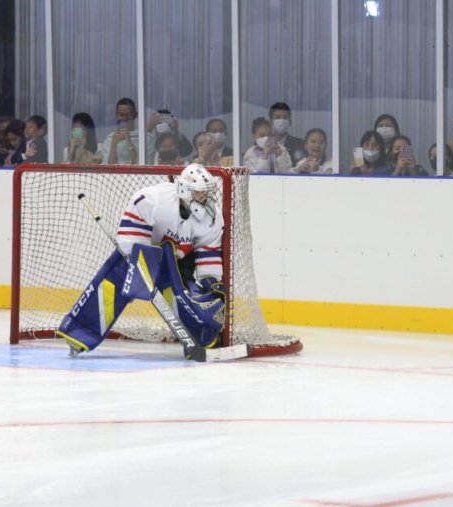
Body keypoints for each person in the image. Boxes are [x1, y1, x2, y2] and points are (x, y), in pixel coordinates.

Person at [57, 163, 228, 355]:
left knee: (187, 298)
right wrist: (140, 266)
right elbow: (131, 239)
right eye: (199, 193)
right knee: (115, 279)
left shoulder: (211, 217)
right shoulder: (154, 200)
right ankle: (80, 333)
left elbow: (208, 251)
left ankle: (202, 338)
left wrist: (210, 280)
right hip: (144, 252)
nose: (204, 198)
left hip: (178, 262)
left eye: (206, 193)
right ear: (185, 190)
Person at [99, 98, 139, 165]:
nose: (125, 118)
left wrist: (128, 140)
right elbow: (109, 164)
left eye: (128, 115)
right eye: (122, 115)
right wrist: (114, 143)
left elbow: (139, 163)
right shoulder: (110, 138)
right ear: (116, 115)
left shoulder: (143, 137)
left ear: (135, 115)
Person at [268, 102, 305, 166]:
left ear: (290, 122)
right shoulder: (264, 143)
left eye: (285, 117)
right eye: (278, 117)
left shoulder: (300, 145)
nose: (282, 121)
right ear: (271, 121)